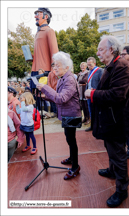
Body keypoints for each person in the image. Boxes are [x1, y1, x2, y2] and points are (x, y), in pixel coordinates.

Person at [85, 35, 129, 207]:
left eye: (101, 49)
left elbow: (117, 95)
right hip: (111, 119)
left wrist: (92, 94)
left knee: (118, 154)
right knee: (111, 148)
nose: (98, 52)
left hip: (118, 121)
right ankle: (112, 170)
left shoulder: (121, 66)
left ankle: (122, 190)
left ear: (111, 50)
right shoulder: (112, 66)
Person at [36, 51, 81, 180]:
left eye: (58, 66)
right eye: (54, 65)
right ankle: (72, 158)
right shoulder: (64, 78)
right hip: (67, 114)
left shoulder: (70, 79)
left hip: (71, 115)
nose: (55, 68)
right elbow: (58, 97)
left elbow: (61, 98)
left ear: (67, 67)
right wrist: (47, 96)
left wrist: (45, 88)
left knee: (71, 140)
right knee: (69, 138)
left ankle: (75, 167)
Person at [30, 7, 59, 92]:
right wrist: (31, 57)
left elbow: (55, 53)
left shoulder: (49, 31)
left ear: (46, 17)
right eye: (35, 14)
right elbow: (41, 54)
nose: (35, 16)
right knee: (36, 96)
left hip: (45, 71)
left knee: (46, 97)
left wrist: (53, 72)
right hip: (35, 70)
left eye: (38, 14)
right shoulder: (37, 33)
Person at [85, 57, 103, 132]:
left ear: (94, 63)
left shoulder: (99, 70)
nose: (89, 66)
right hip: (89, 95)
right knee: (91, 111)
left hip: (95, 94)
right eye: (88, 65)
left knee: (97, 111)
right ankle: (92, 126)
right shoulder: (89, 72)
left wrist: (96, 91)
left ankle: (98, 127)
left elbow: (102, 83)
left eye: (90, 64)